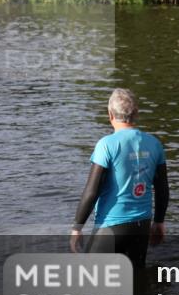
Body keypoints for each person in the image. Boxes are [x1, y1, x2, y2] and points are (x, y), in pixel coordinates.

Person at [71, 88, 169, 267]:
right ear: (136, 113)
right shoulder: (155, 144)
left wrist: (77, 227)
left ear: (110, 114)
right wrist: (159, 222)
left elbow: (92, 191)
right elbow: (162, 189)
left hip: (111, 225)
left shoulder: (106, 145)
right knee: (135, 282)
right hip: (141, 226)